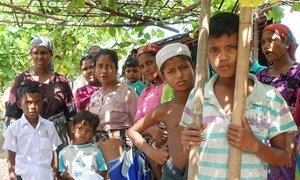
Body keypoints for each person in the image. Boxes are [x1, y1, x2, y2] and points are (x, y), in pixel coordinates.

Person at [180, 12, 297, 179]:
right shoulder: (198, 96)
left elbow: (284, 157)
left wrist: (255, 145)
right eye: (214, 50)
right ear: (206, 53)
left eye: (231, 47)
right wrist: (187, 142)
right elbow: (188, 153)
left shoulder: (270, 98)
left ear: (247, 47)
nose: (222, 57)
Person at [128, 43, 195, 180]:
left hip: (203, 169)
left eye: (183, 67)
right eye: (171, 71)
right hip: (172, 172)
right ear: (164, 77)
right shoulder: (165, 109)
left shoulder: (209, 100)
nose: (179, 75)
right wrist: (152, 152)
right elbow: (132, 131)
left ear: (193, 67)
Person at [5, 36, 76, 146]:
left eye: (43, 52)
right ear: (31, 55)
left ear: (51, 54)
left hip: (57, 138)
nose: (39, 56)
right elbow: (13, 114)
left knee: (56, 163)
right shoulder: (22, 80)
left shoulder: (62, 81)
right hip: (29, 137)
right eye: (35, 53)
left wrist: (73, 144)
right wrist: (15, 142)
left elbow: (70, 116)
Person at [256, 23, 300, 179]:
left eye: (271, 40)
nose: (266, 46)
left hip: (293, 141)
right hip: (264, 140)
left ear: (287, 43)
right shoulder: (260, 77)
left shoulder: (298, 72)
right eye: (263, 42)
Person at [88, 49, 138, 165]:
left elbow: (138, 123)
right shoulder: (95, 95)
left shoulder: (127, 92)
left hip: (120, 150)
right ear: (95, 69)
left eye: (109, 66)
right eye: (100, 66)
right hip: (96, 151)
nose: (104, 71)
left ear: (116, 69)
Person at [2, 84, 62, 180]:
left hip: (46, 176)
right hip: (24, 176)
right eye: (28, 102)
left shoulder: (49, 126)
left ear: (42, 103)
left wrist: (55, 173)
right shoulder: (13, 129)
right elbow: (11, 155)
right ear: (19, 104)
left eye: (37, 102)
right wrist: (12, 175)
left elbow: (54, 151)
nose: (33, 106)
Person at [58, 110, 107, 179]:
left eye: (87, 130)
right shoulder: (64, 153)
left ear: (92, 134)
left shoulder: (95, 150)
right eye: (80, 128)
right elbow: (61, 174)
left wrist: (93, 177)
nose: (83, 133)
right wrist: (65, 175)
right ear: (73, 128)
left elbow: (103, 170)